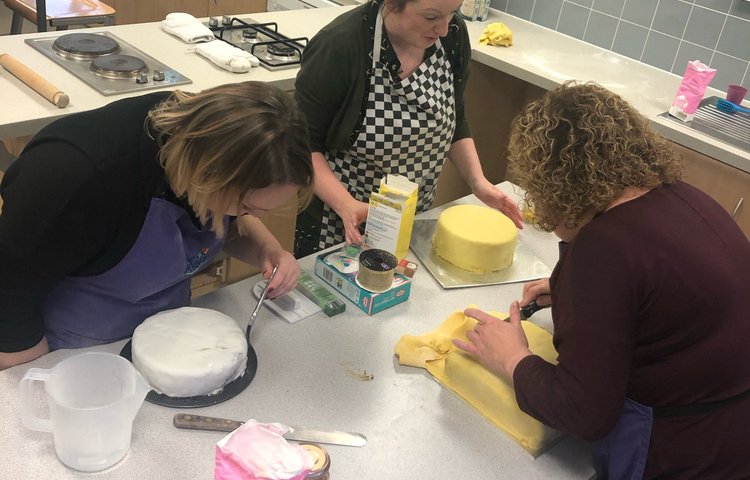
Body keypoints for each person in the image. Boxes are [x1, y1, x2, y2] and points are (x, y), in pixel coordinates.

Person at [453, 82, 750, 479]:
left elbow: (583, 412)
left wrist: (512, 358)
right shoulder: (686, 197)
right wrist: (578, 294)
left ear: (553, 183)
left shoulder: (605, 249)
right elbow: (665, 301)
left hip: (677, 452)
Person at [0, 81, 313, 370]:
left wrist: (268, 251)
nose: (248, 216)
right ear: (208, 173)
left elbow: (225, 219)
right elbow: (9, 305)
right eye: (246, 207)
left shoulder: (215, 159)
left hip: (168, 337)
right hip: (71, 351)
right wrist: (48, 386)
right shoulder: (72, 179)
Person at [293, 0, 523, 252]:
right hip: (337, 218)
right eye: (431, 17)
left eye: (452, 14)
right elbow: (301, 145)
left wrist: (478, 181)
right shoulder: (340, 45)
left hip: (411, 215)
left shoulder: (452, 36)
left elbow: (454, 117)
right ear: (392, 3)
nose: (443, 29)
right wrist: (346, 205)